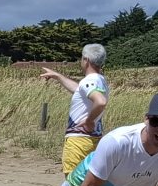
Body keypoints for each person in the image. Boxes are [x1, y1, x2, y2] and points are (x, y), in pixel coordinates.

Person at [38, 44, 109, 177]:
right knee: (87, 182)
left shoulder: (89, 80)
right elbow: (80, 90)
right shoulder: (100, 80)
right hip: (92, 139)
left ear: (86, 60)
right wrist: (57, 76)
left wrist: (89, 120)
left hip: (78, 141)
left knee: (73, 183)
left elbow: (100, 101)